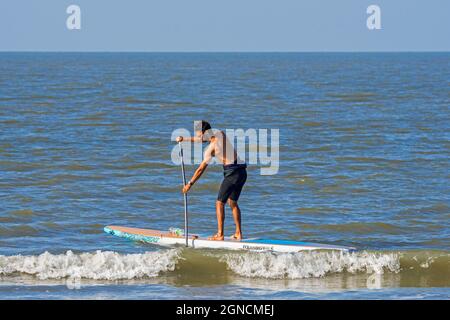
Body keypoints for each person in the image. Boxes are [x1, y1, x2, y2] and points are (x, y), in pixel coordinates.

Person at [176, 121, 247, 241]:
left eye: (199, 134)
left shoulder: (211, 149)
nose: (198, 137)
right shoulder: (220, 133)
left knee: (219, 203)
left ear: (204, 133)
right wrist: (184, 139)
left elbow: (200, 169)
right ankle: (238, 233)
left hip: (232, 174)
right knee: (233, 202)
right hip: (242, 172)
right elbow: (201, 139)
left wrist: (190, 184)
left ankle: (220, 234)